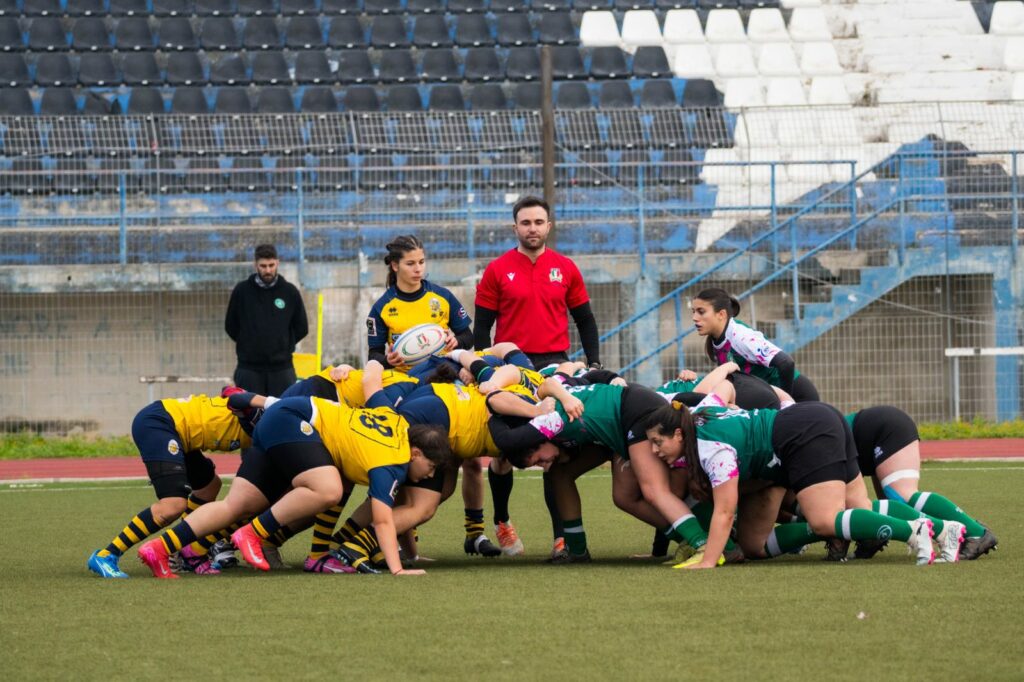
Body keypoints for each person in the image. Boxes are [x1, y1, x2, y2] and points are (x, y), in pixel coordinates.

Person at [136, 385, 454, 578]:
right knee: (328, 488)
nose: (430, 475)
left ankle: (160, 548)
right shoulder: (392, 461)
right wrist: (398, 569)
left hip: (283, 416)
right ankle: (252, 534)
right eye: (431, 467)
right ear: (415, 452)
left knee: (236, 505)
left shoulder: (394, 419)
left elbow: (374, 382)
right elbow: (383, 521)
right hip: (294, 419)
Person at [644, 402, 964, 568]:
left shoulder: (711, 449)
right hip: (816, 419)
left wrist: (708, 561)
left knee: (825, 520)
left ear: (679, 434)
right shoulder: (699, 416)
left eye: (658, 442)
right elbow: (721, 398)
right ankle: (944, 529)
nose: (655, 452)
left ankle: (914, 531)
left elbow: (725, 512)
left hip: (801, 435)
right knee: (858, 509)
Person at [474, 196, 601, 560]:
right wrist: (482, 367)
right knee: (503, 454)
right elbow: (482, 327)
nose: (532, 228)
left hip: (554, 365)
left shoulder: (566, 268)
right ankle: (501, 520)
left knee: (553, 453)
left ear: (549, 226)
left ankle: (561, 538)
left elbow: (585, 319)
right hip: (511, 366)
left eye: (538, 222)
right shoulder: (497, 269)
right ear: (515, 227)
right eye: (526, 222)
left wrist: (594, 362)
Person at [365, 235, 495, 558]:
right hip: (410, 392)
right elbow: (374, 355)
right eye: (410, 263)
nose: (418, 269)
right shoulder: (383, 307)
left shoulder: (441, 297)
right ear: (394, 266)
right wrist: (388, 359)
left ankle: (475, 533)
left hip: (446, 384)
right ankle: (402, 541)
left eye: (421, 262)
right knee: (410, 464)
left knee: (471, 460)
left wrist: (455, 340)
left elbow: (468, 335)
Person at [86, 389, 264, 578]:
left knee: (209, 486)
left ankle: (183, 552)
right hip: (161, 423)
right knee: (172, 505)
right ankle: (107, 554)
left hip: (182, 435)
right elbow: (233, 394)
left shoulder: (274, 416)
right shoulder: (272, 415)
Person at [845, 405, 996, 560]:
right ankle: (872, 537)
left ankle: (977, 533)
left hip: (886, 429)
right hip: (876, 432)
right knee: (888, 503)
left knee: (902, 496)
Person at [691, 287, 819, 402]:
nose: (694, 317)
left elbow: (786, 363)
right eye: (693, 311)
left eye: (701, 312)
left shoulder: (740, 336)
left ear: (721, 314)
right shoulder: (717, 338)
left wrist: (785, 402)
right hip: (768, 397)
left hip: (797, 396)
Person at [225, 243, 309, 396]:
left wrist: (283, 344)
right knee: (249, 411)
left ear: (277, 263)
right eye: (263, 266)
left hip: (282, 370)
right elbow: (231, 325)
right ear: (255, 265)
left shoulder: (289, 292)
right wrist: (249, 343)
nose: (268, 270)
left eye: (271, 265)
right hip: (248, 369)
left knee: (283, 409)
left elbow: (302, 327)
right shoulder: (242, 291)